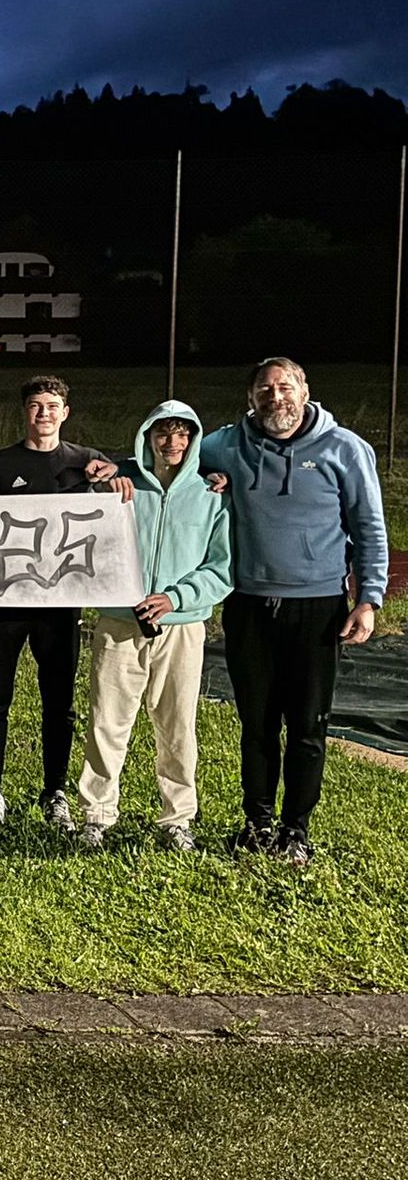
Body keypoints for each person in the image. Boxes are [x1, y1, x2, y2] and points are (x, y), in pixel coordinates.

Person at [201, 358, 388, 866]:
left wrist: (368, 599)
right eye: (265, 389)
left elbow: (369, 527)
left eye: (285, 387)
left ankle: (295, 830)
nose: (275, 397)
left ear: (304, 392)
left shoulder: (344, 448)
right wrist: (120, 470)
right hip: (249, 605)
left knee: (308, 726)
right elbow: (170, 456)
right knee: (256, 723)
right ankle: (257, 823)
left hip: (318, 607)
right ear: (250, 397)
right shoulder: (226, 445)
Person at [0, 376, 127, 829]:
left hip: (59, 605)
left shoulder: (86, 462)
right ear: (25, 411)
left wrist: (114, 474)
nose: (44, 413)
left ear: (65, 412)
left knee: (58, 701)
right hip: (2, 603)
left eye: (52, 405)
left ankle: (55, 791)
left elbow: (129, 481)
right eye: (36, 405)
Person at [77, 402, 232, 852]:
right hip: (119, 623)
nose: (172, 442)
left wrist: (175, 599)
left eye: (183, 434)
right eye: (163, 433)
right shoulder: (121, 484)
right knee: (107, 721)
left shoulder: (210, 493)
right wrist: (101, 487)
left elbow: (221, 568)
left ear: (193, 439)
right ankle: (97, 814)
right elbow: (83, 530)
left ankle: (177, 818)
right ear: (148, 436)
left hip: (180, 628)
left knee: (178, 725)